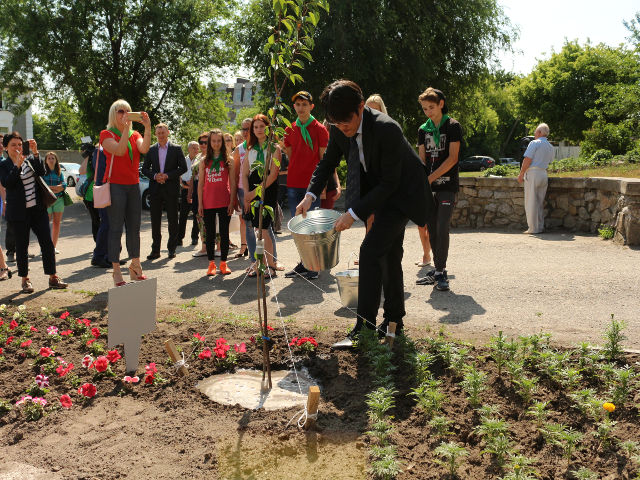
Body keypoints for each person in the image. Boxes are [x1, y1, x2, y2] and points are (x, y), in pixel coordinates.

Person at [296, 80, 435, 342]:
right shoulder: (339, 126)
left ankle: (365, 328)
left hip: (402, 193)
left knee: (370, 251)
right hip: (380, 191)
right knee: (389, 255)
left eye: (346, 122)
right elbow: (327, 163)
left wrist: (353, 213)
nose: (342, 128)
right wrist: (310, 195)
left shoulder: (386, 128)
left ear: (360, 107)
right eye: (336, 123)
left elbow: (390, 183)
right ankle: (394, 321)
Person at [0, 132, 68, 293]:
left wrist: (36, 153)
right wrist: (17, 166)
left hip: (38, 210)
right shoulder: (3, 165)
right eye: (13, 145)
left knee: (47, 243)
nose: (17, 148)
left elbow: (42, 172)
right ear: (6, 148)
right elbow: (8, 183)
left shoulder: (29, 159)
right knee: (22, 246)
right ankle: (25, 280)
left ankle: (53, 277)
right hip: (18, 213)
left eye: (19, 144)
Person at [414, 87, 462, 291]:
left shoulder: (453, 126)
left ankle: (441, 272)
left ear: (441, 104)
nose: (428, 112)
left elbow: (453, 158)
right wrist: (421, 180)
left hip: (447, 186)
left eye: (431, 107)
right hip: (428, 188)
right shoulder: (422, 130)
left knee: (442, 227)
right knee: (432, 228)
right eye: (424, 109)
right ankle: (438, 270)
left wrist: (430, 178)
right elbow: (422, 159)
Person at [100, 100, 151, 286]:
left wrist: (147, 127)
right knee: (115, 228)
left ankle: (136, 266)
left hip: (133, 185)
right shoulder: (106, 134)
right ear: (113, 114)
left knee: (134, 228)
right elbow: (120, 151)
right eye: (121, 111)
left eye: (128, 111)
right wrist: (125, 130)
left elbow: (144, 148)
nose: (125, 114)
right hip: (115, 185)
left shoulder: (134, 134)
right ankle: (116, 271)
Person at [283, 91, 329, 280]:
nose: (301, 108)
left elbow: (324, 159)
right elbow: (289, 154)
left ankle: (314, 265)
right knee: (298, 227)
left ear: (311, 106)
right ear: (294, 107)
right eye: (298, 104)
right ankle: (304, 262)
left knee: (312, 226)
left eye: (304, 104)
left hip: (312, 186)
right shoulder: (289, 129)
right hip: (294, 183)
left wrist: (322, 186)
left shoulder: (320, 129)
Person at [242, 114, 281, 277]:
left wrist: (255, 192)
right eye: (255, 127)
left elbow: (273, 174)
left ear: (268, 128)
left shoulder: (274, 148)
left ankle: (271, 265)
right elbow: (245, 173)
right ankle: (260, 264)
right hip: (251, 189)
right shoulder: (250, 149)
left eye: (262, 126)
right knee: (257, 229)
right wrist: (247, 194)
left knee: (264, 229)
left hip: (267, 189)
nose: (258, 130)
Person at [142, 123, 187, 259]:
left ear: (168, 132)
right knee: (155, 221)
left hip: (171, 189)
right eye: (158, 133)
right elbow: (144, 169)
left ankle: (171, 249)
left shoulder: (176, 149)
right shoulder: (151, 150)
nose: (161, 135)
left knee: (173, 220)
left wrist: (167, 175)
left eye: (163, 132)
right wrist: (155, 176)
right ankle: (155, 250)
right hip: (155, 189)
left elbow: (183, 168)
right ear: (155, 134)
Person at [198, 129, 236, 276]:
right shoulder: (204, 160)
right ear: (209, 142)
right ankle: (211, 264)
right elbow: (201, 183)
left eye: (219, 141)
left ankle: (224, 263)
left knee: (224, 234)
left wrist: (232, 202)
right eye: (213, 141)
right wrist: (200, 204)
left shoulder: (229, 159)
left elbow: (232, 182)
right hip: (208, 201)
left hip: (224, 201)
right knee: (210, 234)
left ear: (223, 142)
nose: (216, 143)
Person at [518, 123, 554, 234]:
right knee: (539, 202)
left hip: (533, 173)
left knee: (531, 201)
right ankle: (540, 226)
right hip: (543, 173)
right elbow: (550, 161)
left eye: (535, 131)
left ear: (539, 132)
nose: (534, 133)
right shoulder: (550, 146)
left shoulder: (534, 143)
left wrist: (521, 173)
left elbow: (527, 159)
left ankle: (533, 228)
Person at [42, 151, 67, 252]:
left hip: (59, 200)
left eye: (53, 158)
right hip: (47, 201)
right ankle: (45, 247)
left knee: (56, 224)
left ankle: (53, 247)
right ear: (46, 161)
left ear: (56, 160)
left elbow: (64, 185)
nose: (51, 160)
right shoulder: (43, 172)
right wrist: (56, 188)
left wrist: (52, 188)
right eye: (49, 158)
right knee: (45, 224)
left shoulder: (59, 172)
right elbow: (42, 186)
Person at [190, 132, 208, 257]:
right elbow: (193, 176)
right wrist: (189, 193)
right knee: (199, 217)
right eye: (201, 142)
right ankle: (204, 247)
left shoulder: (213, 156)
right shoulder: (197, 157)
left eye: (206, 142)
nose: (203, 145)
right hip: (197, 189)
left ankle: (216, 246)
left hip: (208, 189)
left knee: (211, 218)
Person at [177, 141, 199, 247]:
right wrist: (184, 185)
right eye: (194, 148)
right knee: (183, 215)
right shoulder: (183, 161)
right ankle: (179, 238)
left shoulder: (200, 160)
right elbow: (179, 176)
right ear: (189, 149)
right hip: (185, 189)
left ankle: (195, 238)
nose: (196, 150)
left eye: (197, 148)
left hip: (196, 190)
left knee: (196, 215)